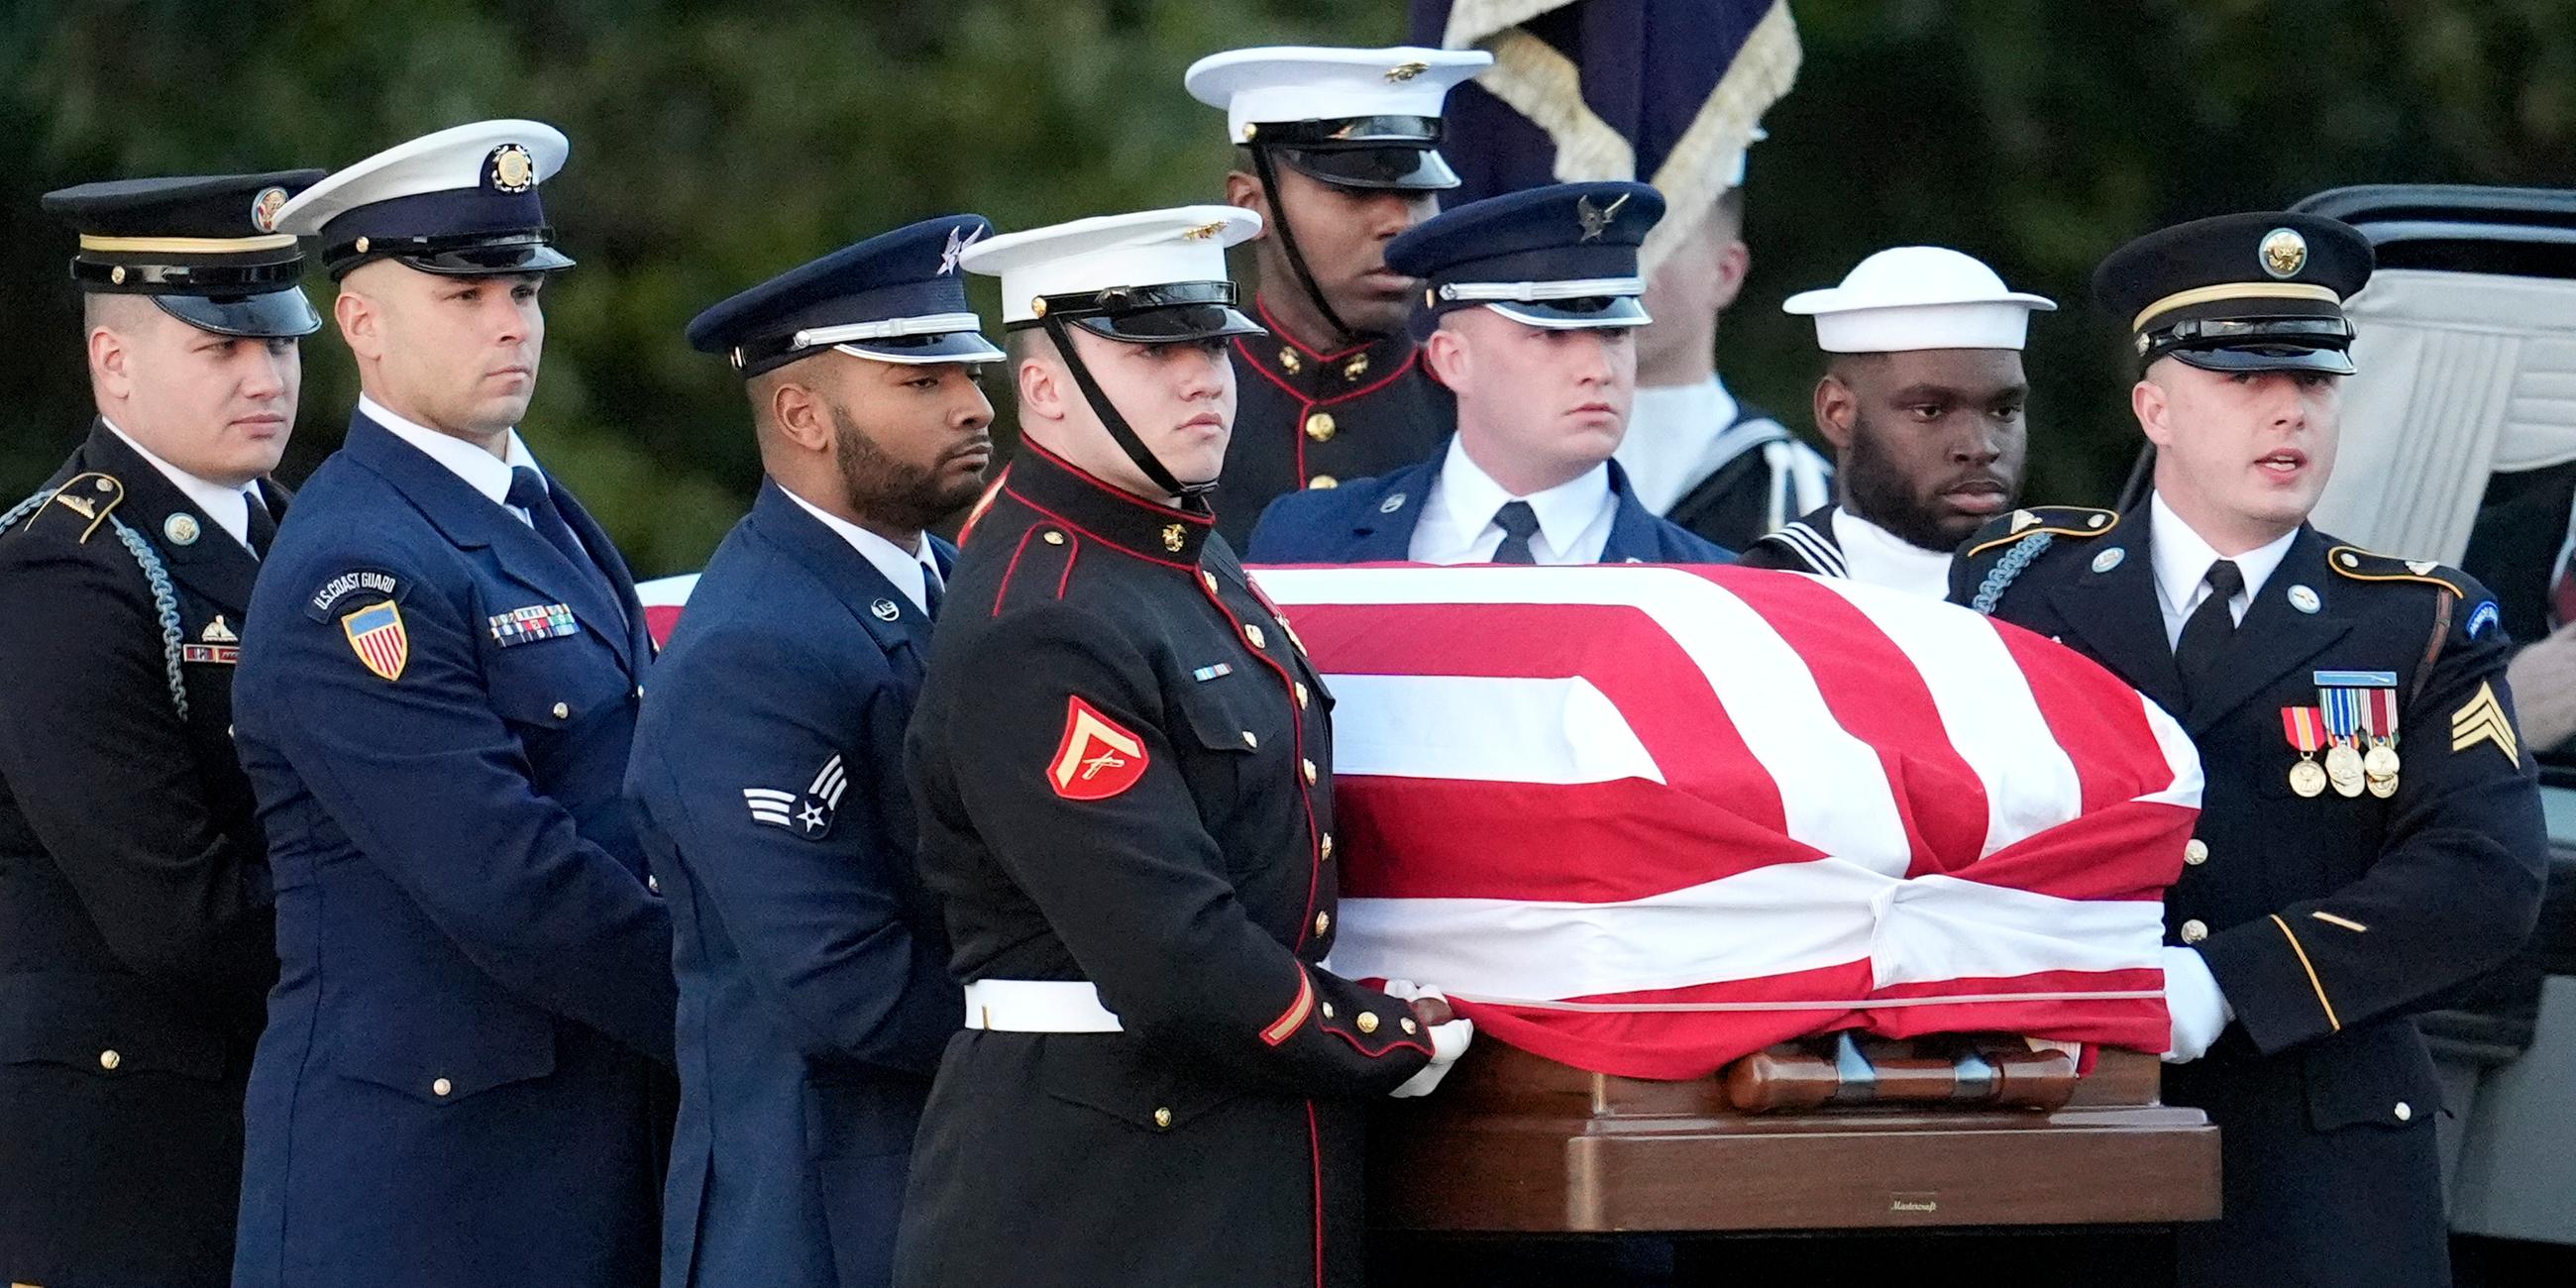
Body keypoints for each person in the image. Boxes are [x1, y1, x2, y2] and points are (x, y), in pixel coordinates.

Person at [1951, 211, 2546, 1285]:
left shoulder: (2416, 623)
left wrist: (2225, 981)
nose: (2287, 409)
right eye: (2241, 378)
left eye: (2314, 382)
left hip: (2318, 1169)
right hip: (2064, 1134)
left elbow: (2481, 878)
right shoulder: (2011, 589)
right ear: (2154, 407)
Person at [894, 206, 1472, 1288]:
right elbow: (1172, 953)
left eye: (1209, 342)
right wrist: (1379, 1037)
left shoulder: (1181, 556)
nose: (1203, 376)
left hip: (1231, 1156)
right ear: (1047, 386)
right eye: (1152, 349)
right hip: (1099, 1187)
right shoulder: (1044, 615)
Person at [231, 120, 674, 1288]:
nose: (510, 321)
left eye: (522, 289)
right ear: (362, 324)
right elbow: (510, 878)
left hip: (571, 1144)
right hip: (427, 1190)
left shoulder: (537, 510)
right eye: (464, 293)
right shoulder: (353, 572)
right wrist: (734, 1004)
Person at [628, 214, 1000, 1288]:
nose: (974, 404)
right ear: (800, 412)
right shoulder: (754, 649)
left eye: (966, 371)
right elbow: (847, 991)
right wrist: (1073, 1031)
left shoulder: (950, 587)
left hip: (938, 1189)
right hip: (824, 1219)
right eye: (916, 381)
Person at [0, 169, 318, 1288]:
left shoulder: (303, 539)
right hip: (119, 1157)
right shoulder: (60, 568)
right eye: (219, 348)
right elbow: (173, 912)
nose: (264, 376)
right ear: (114, 362)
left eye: (278, 343)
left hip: (264, 1116)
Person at [1246, 181, 1731, 566]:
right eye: (1551, 335)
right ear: (1453, 359)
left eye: (1614, 333)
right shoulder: (1308, 543)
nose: (1598, 370)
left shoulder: (1707, 589)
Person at [1184, 45, 1487, 543]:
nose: (1399, 224)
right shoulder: (1168, 410)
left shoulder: (1483, 417)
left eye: (1417, 193)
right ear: (1250, 204)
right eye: (1355, 191)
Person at [1737, 246, 2054, 596]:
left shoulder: (2075, 590)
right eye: (1930, 410)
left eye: (2004, 411)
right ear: (1837, 413)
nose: (1980, 448)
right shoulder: (1767, 595)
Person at [1617, 133, 1834, 548]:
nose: (1629, 274)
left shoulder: (1798, 495)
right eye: (1609, 247)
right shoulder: (1506, 469)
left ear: (1726, 272)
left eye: (1659, 244)